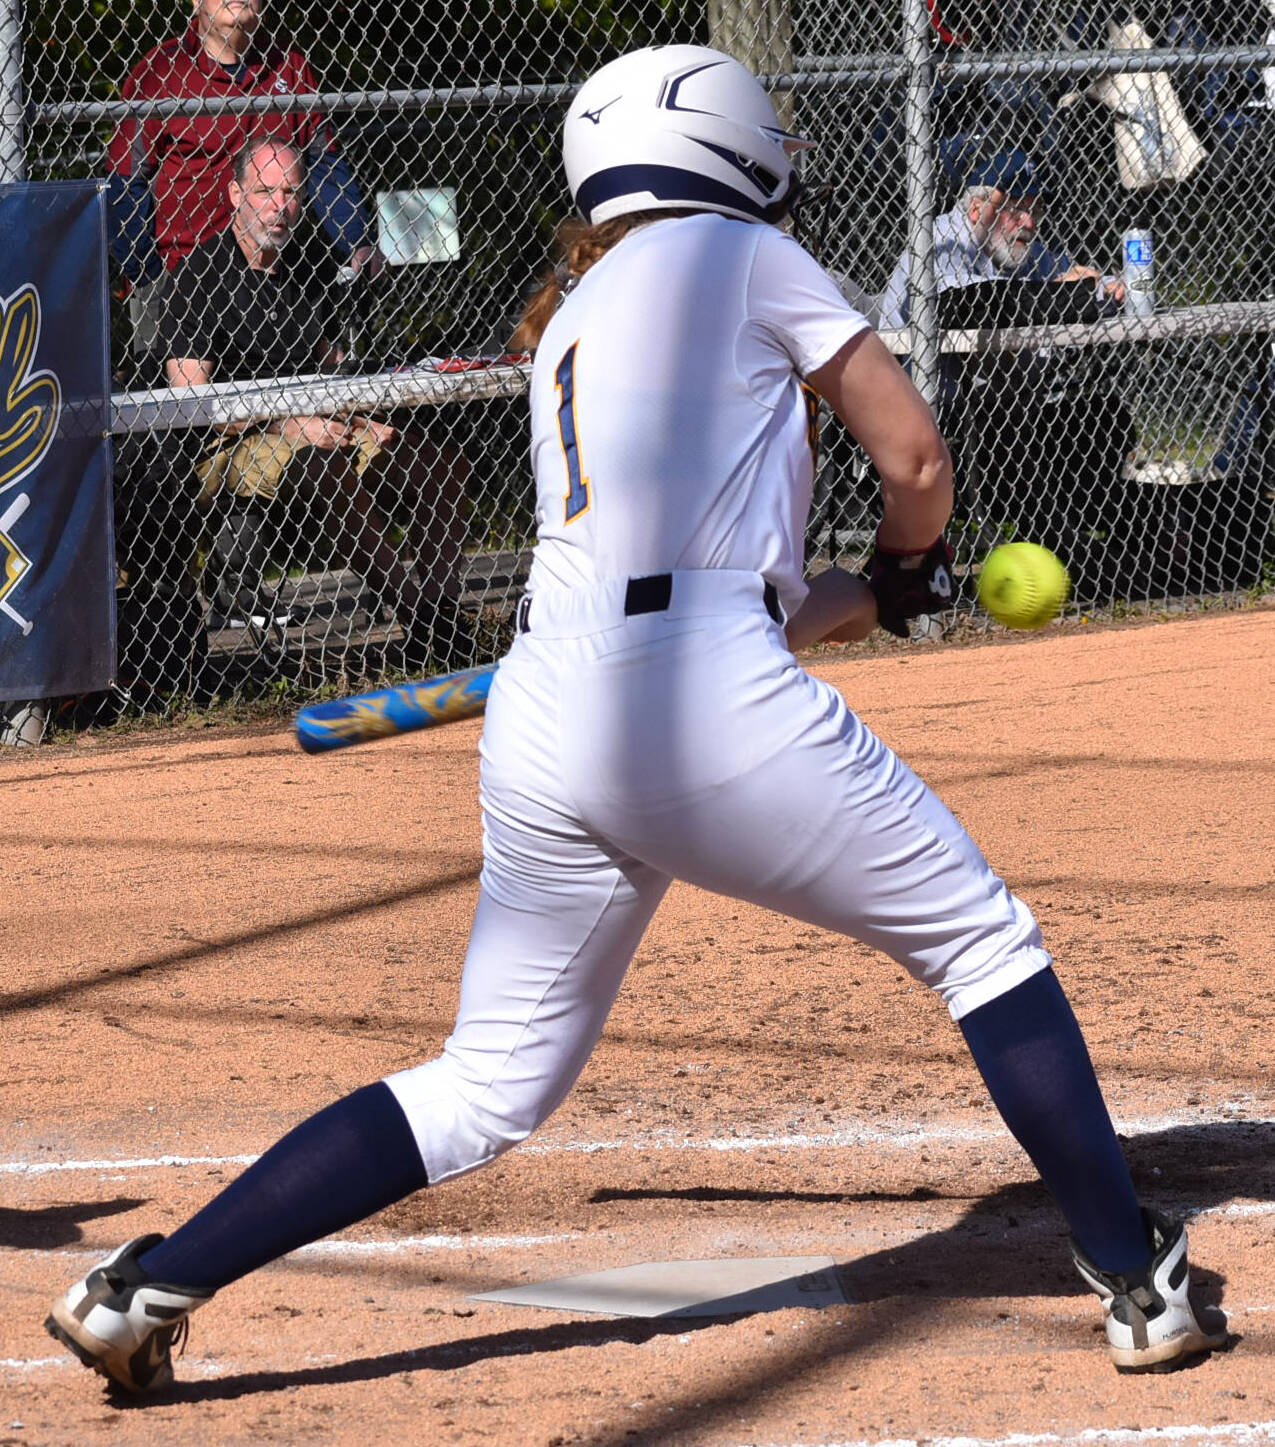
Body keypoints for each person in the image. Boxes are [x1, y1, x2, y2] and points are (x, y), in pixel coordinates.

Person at [45, 46, 1224, 1395]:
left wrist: (876, 589)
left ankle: (145, 1283)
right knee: (978, 940)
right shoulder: (741, 257)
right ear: (723, 147)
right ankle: (1132, 1277)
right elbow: (911, 457)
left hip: (558, 704)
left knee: (485, 1083)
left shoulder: (574, 315)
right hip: (695, 698)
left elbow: (725, 598)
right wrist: (911, 547)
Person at [162, 136, 473, 671]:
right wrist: (287, 422)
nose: (281, 207)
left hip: (319, 425)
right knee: (325, 469)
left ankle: (443, 613)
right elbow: (191, 402)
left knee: (441, 468)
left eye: (292, 192)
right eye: (265, 191)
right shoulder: (197, 277)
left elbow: (334, 368)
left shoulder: (311, 264)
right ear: (234, 194)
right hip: (227, 442)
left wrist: (359, 420)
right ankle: (420, 615)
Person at [877, 149, 1135, 577]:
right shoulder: (940, 242)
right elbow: (972, 306)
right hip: (937, 424)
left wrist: (1101, 285)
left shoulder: (1013, 247)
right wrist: (1065, 297)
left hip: (1001, 414)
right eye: (1017, 210)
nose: (1030, 224)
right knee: (1012, 418)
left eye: (1035, 210)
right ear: (978, 208)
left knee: (1105, 417)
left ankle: (1088, 548)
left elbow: (1090, 283)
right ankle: (1054, 549)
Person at [109, 0, 385, 367]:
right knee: (185, 414)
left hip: (276, 280)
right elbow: (124, 182)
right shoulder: (161, 71)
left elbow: (324, 164)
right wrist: (148, 272)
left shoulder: (289, 67)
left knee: (300, 405)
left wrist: (357, 241)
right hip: (181, 275)